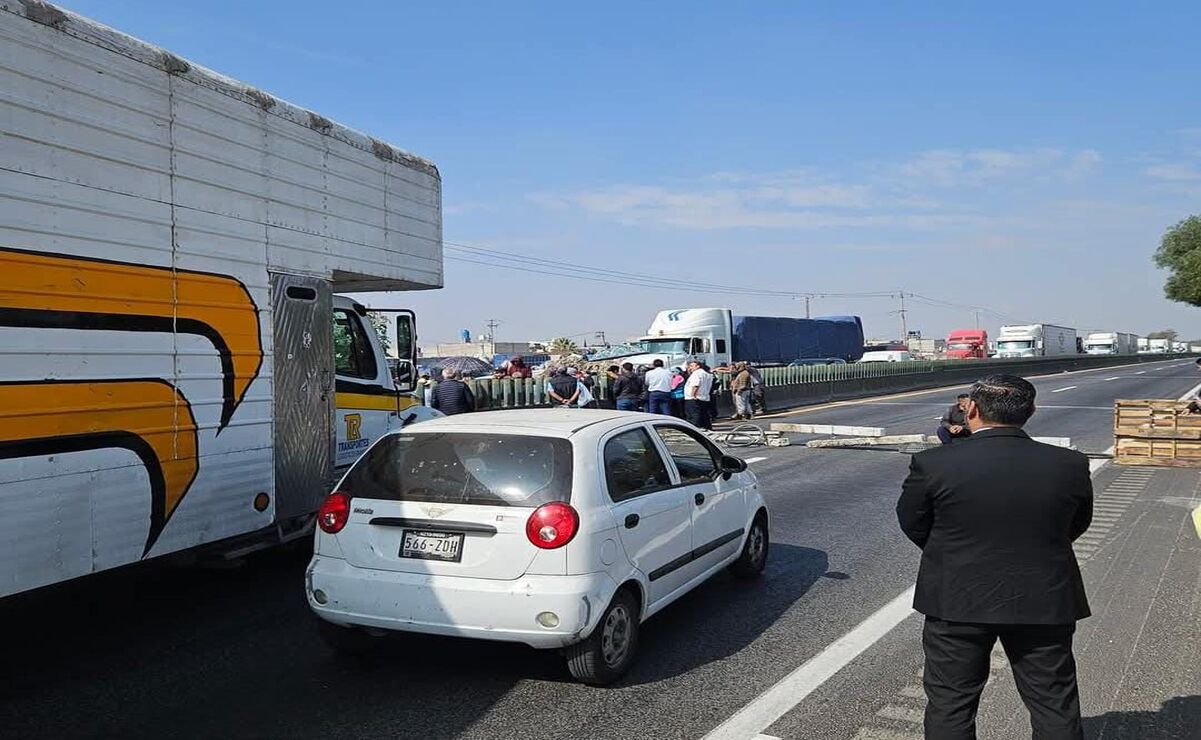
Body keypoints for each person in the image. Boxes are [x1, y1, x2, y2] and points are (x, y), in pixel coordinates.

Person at [896, 374, 1093, 740]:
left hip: (957, 599)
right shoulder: (1070, 464)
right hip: (1044, 600)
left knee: (950, 703)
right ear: (1031, 412)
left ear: (969, 407)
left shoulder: (934, 463)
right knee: (1054, 702)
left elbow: (913, 522)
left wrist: (956, 555)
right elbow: (1075, 524)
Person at [683, 360, 714, 429]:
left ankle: (694, 429)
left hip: (693, 398)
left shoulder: (696, 374)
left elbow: (695, 385)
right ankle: (707, 428)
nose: (690, 368)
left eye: (692, 366)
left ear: (698, 366)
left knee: (693, 415)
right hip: (704, 397)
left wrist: (693, 395)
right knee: (704, 415)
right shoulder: (707, 374)